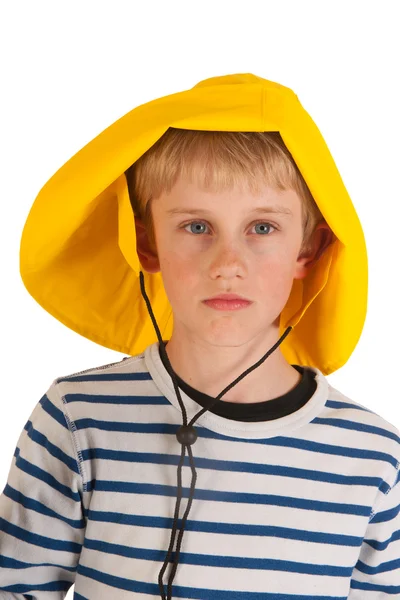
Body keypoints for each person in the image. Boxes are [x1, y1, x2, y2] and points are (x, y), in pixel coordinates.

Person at [1, 73, 399, 599]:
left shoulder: (372, 457)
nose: (227, 264)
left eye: (262, 227)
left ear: (309, 249)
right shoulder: (76, 418)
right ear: (147, 246)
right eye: (195, 226)